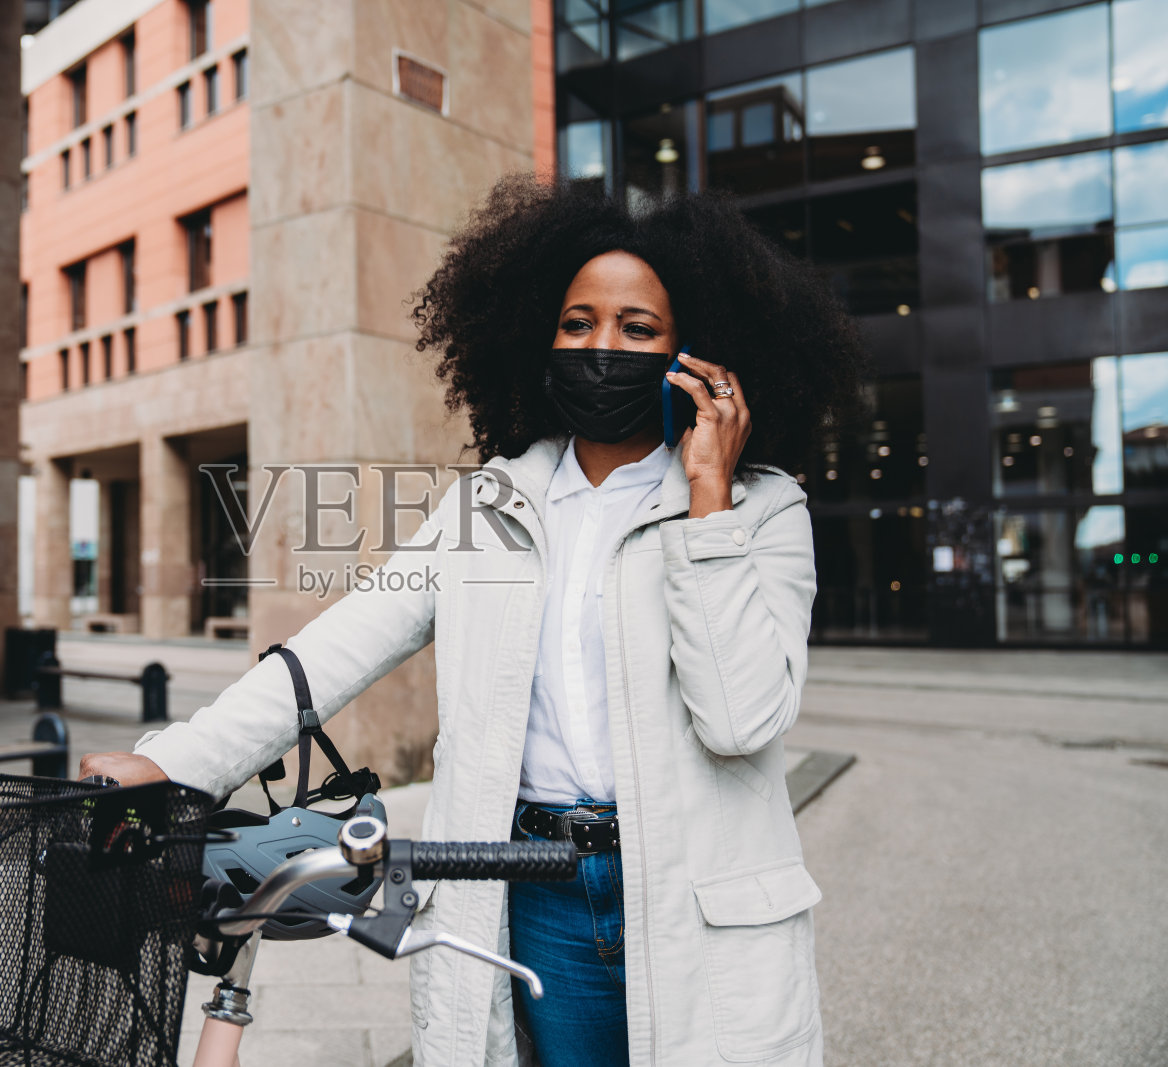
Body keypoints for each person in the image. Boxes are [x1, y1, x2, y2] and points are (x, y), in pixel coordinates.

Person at [79, 176, 866, 1067]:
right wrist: (176, 763)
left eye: (638, 328)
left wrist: (708, 501)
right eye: (577, 322)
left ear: (701, 356)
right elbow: (333, 650)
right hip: (537, 889)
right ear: (540, 335)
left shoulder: (761, 513)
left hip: (691, 893)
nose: (601, 345)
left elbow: (741, 719)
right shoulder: (485, 506)